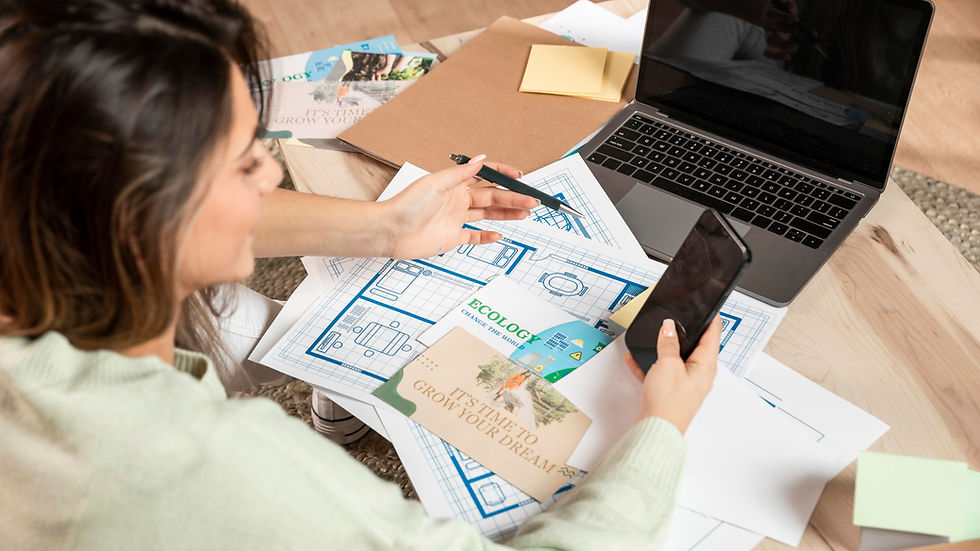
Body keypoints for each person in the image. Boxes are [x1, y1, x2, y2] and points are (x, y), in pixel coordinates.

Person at [0, 0, 721, 549]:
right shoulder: (208, 464)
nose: (272, 171)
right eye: (243, 160)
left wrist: (384, 228)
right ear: (136, 221)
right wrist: (660, 429)